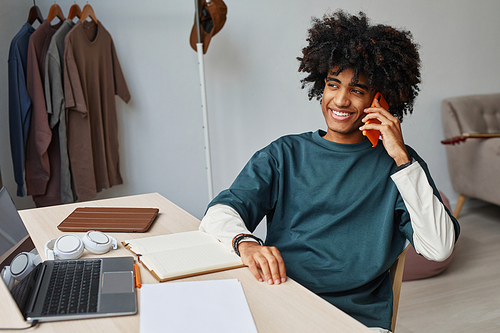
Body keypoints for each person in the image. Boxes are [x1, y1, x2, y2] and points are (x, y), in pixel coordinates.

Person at [199, 10, 460, 332]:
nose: (340, 100)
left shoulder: (402, 166)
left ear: (381, 100)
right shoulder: (285, 154)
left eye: (357, 90)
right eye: (332, 85)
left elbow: (439, 247)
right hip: (278, 295)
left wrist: (401, 158)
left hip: (354, 318)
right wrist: (246, 243)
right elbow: (219, 213)